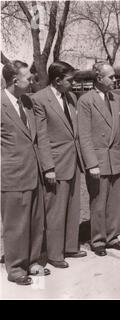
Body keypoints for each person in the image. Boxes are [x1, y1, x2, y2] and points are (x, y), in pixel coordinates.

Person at [32, 61, 86, 269]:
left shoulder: (70, 97)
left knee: (73, 207)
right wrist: (48, 168)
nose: (72, 85)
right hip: (55, 163)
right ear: (57, 80)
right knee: (55, 210)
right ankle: (54, 254)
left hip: (73, 161)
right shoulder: (39, 99)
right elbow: (42, 138)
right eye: (69, 81)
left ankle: (70, 246)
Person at [1, 60, 49, 285]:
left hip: (33, 172)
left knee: (34, 221)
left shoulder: (27, 103)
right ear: (14, 80)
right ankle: (16, 268)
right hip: (12, 175)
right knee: (16, 225)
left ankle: (32, 261)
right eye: (28, 78)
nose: (32, 81)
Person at [78, 62, 120, 257]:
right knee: (98, 203)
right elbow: (84, 135)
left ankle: (113, 236)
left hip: (115, 158)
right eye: (111, 77)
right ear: (99, 78)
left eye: (115, 76)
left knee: (115, 202)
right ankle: (98, 240)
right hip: (98, 161)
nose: (115, 80)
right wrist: (91, 163)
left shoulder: (116, 99)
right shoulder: (85, 100)